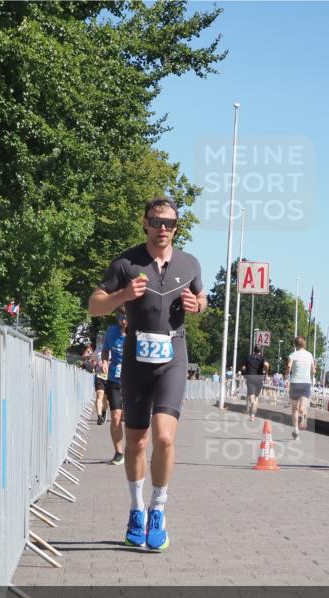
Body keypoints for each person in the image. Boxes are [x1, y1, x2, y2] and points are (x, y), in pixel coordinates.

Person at [88, 197, 207, 551]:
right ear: (145, 223)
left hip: (172, 355)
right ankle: (136, 509)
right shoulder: (126, 262)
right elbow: (95, 305)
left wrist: (196, 305)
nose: (162, 229)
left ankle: (159, 507)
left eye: (169, 223)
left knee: (165, 438)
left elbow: (203, 300)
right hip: (137, 360)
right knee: (137, 441)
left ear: (176, 227)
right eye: (156, 222)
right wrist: (123, 294)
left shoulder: (190, 263)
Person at [101, 312, 128, 465]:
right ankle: (118, 452)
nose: (124, 321)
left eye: (127, 318)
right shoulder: (111, 331)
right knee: (116, 417)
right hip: (114, 378)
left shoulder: (140, 331)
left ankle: (134, 448)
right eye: (121, 318)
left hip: (133, 381)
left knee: (131, 418)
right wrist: (105, 361)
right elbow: (105, 350)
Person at [285, 336, 315, 440]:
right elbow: (314, 370)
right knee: (302, 408)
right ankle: (304, 416)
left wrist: (286, 375)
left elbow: (289, 366)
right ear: (305, 344)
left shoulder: (292, 355)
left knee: (294, 409)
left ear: (295, 345)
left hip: (295, 383)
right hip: (306, 384)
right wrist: (312, 371)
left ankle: (296, 430)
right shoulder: (310, 355)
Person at [241, 346, 269, 422]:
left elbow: (243, 368)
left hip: (250, 377)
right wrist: (266, 374)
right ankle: (252, 416)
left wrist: (245, 372)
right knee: (256, 397)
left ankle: (252, 404)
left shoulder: (248, 357)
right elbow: (266, 365)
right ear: (260, 351)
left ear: (253, 350)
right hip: (259, 379)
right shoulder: (262, 358)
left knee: (252, 398)